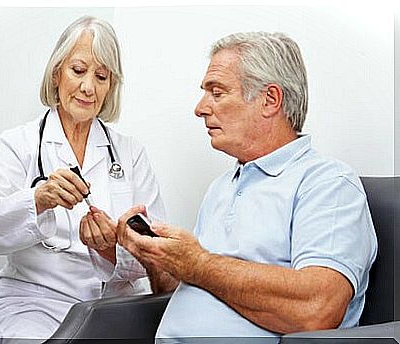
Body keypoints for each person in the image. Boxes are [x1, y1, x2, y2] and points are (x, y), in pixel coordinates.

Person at [116, 32, 377, 341]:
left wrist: (198, 263)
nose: (200, 108)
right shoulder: (221, 188)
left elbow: (317, 309)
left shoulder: (327, 184)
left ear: (270, 100)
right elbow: (199, 288)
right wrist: (158, 259)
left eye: (217, 92)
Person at [0, 15, 165, 342]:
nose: (88, 87)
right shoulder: (19, 144)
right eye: (78, 70)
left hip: (116, 305)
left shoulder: (130, 153)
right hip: (34, 304)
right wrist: (37, 199)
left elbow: (158, 255)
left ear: (111, 85)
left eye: (101, 76)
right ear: (57, 73)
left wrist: (112, 249)